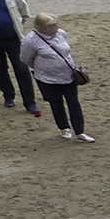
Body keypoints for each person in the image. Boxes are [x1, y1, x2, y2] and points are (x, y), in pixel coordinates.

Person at [20, 13, 92, 142]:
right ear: (43, 27)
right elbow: (25, 58)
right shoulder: (31, 40)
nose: (57, 26)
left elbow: (65, 50)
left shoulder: (61, 33)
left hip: (68, 76)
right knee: (56, 104)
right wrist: (43, 68)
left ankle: (80, 132)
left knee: (74, 103)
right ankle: (64, 128)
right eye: (53, 25)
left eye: (56, 23)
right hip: (47, 80)